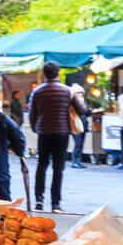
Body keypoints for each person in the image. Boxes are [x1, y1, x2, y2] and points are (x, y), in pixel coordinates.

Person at [28, 61, 91, 213]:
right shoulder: (67, 91)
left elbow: (32, 114)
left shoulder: (37, 92)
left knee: (41, 166)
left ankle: (39, 200)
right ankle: (56, 204)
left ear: (44, 73)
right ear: (58, 73)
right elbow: (82, 110)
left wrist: (36, 128)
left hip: (44, 132)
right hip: (61, 133)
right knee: (58, 168)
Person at [69, 83, 91, 169]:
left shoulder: (84, 102)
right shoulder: (72, 102)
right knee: (78, 143)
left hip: (84, 124)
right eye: (79, 93)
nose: (81, 94)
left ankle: (78, 161)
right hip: (75, 124)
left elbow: (86, 114)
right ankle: (75, 161)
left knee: (81, 144)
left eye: (82, 93)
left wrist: (89, 111)